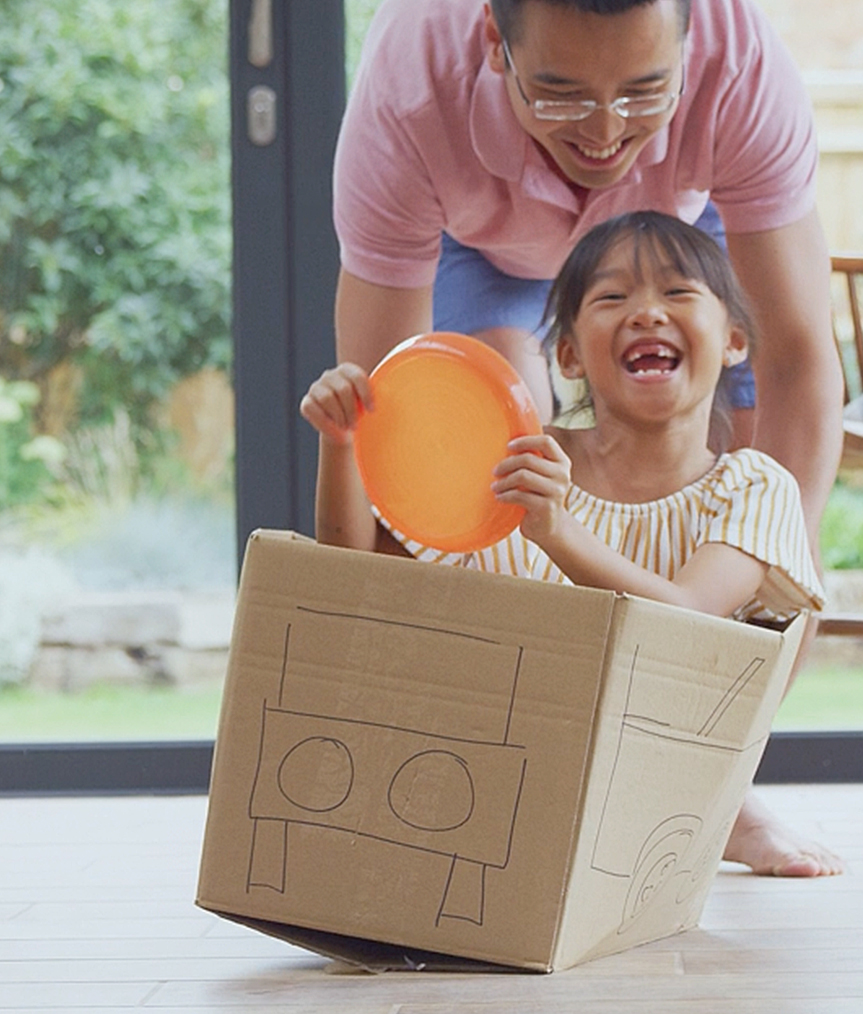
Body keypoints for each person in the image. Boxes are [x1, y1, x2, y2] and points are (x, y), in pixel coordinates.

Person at [330, 0, 844, 875]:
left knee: (727, 457)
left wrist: (725, 735)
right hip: (475, 245)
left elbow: (792, 360)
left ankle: (716, 800)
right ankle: (536, 761)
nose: (604, 132)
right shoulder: (407, 102)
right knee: (486, 452)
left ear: (689, 53)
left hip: (668, 229)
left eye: (642, 91)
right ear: (494, 45)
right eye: (559, 90)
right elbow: (381, 438)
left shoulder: (742, 70)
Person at [302, 212, 841, 872]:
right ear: (566, 354)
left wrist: (558, 531)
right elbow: (354, 581)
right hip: (510, 772)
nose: (645, 313)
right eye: (612, 297)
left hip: (664, 762)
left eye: (676, 293)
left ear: (732, 340)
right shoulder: (511, 467)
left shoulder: (752, 486)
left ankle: (720, 809)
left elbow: (688, 617)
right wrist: (342, 444)